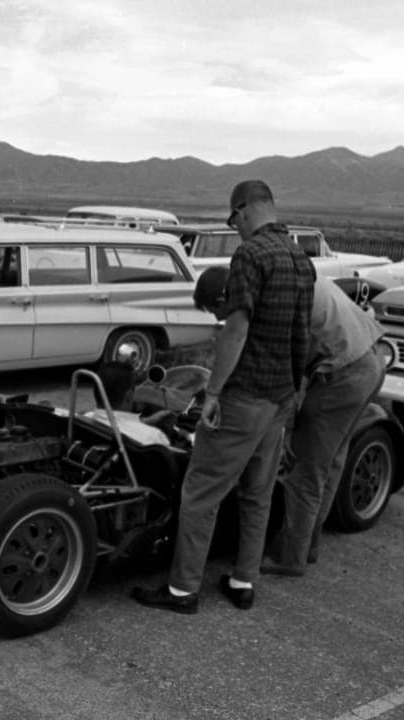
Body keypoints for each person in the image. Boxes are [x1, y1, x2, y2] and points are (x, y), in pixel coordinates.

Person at [132, 180, 315, 614]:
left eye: (234, 219)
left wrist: (212, 392)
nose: (236, 228)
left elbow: (236, 327)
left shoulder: (251, 255)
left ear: (245, 210)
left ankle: (182, 590)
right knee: (257, 493)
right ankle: (242, 581)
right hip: (278, 398)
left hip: (245, 395)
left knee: (200, 492)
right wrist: (292, 393)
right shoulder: (301, 259)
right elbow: (301, 335)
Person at [260, 274, 387, 575]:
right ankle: (308, 545)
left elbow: (287, 372)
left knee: (304, 470)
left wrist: (285, 430)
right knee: (330, 463)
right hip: (371, 362)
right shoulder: (307, 277)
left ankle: (289, 557)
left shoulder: (281, 298)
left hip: (343, 375)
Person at [83, 361, 173, 448]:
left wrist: (144, 421)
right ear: (129, 396)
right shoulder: (153, 437)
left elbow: (115, 423)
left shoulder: (85, 419)